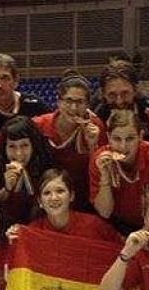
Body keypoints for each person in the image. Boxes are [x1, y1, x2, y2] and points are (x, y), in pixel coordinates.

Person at [33, 70, 106, 212]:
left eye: (80, 102)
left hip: (83, 199)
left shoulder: (96, 126)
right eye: (68, 101)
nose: (74, 108)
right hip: (47, 200)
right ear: (58, 102)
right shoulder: (39, 125)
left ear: (87, 105)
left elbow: (102, 172)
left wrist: (92, 145)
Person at [0, 116, 55, 224]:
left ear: (33, 145)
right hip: (1, 223)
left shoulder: (45, 161)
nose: (19, 153)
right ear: (4, 147)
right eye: (12, 146)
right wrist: (7, 189)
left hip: (38, 223)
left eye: (24, 145)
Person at [92, 60, 149, 142]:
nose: (119, 101)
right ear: (103, 94)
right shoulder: (97, 117)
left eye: (125, 93)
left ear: (135, 90)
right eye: (112, 95)